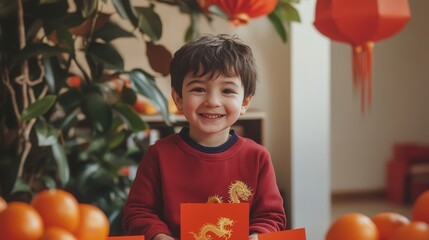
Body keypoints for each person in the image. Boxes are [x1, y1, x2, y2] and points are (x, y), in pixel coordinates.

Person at [122, 34, 286, 240]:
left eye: (227, 90)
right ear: (178, 98)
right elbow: (138, 211)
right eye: (199, 89)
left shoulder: (257, 157)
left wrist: (257, 236)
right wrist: (159, 236)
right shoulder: (159, 155)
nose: (212, 101)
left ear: (244, 102)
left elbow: (271, 216)